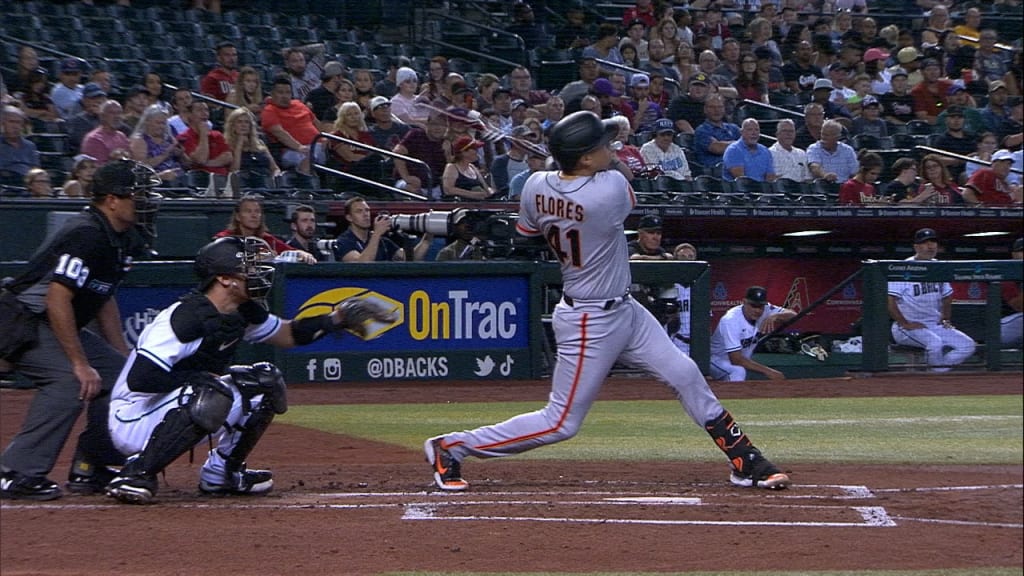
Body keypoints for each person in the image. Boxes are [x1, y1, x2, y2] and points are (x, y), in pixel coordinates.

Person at [423, 110, 790, 493]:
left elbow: (527, 230)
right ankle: (451, 446)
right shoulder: (609, 189)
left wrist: (559, 174)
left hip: (625, 309)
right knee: (560, 422)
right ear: (584, 158)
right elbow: (620, 176)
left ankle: (745, 460)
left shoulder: (534, 184)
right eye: (601, 145)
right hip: (589, 320)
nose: (610, 148)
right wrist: (575, 172)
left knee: (685, 374)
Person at [103, 236, 394, 504]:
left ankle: (221, 474)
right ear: (224, 278)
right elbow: (140, 378)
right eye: (249, 267)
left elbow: (288, 334)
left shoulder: (241, 311)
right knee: (211, 389)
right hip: (133, 416)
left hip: (182, 403)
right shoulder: (185, 318)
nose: (260, 272)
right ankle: (136, 473)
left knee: (266, 382)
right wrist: (200, 380)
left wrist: (335, 319)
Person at [0, 160, 162, 501]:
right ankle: (16, 473)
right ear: (111, 200)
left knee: (121, 379)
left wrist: (122, 356)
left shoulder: (119, 237)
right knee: (70, 381)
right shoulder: (87, 232)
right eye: (138, 195)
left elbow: (103, 297)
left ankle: (92, 464)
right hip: (21, 319)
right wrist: (78, 362)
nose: (146, 201)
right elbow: (57, 297)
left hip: (49, 320)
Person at [888, 228, 977, 372]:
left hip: (934, 325)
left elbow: (947, 296)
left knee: (967, 345)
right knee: (935, 344)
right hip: (906, 327)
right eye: (925, 243)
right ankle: (936, 378)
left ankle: (937, 374)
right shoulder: (904, 268)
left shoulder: (939, 266)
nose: (930, 246)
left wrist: (946, 318)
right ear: (916, 247)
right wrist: (904, 323)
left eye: (933, 242)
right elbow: (890, 300)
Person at [710, 286, 797, 382]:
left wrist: (777, 316)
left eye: (760, 306)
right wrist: (768, 371)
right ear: (744, 302)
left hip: (734, 361)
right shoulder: (731, 320)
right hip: (715, 360)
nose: (757, 310)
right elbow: (736, 359)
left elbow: (794, 315)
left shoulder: (767, 309)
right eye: (753, 305)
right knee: (738, 371)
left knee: (739, 370)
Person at [332, 196, 433, 263]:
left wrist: (426, 239)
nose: (365, 215)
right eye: (359, 211)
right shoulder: (344, 241)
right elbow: (362, 265)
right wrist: (377, 233)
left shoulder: (382, 241)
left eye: (367, 210)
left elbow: (411, 259)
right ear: (349, 217)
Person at [213, 196, 313, 261]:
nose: (254, 215)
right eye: (248, 211)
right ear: (238, 216)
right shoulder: (225, 238)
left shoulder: (266, 239)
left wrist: (302, 254)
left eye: (257, 211)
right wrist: (254, 258)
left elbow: (291, 251)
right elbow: (223, 258)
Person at [224, 107, 281, 190]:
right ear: (233, 125)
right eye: (239, 122)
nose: (243, 125)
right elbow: (234, 172)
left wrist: (275, 177)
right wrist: (239, 146)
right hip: (245, 186)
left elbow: (275, 168)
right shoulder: (227, 145)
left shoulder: (260, 144)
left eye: (246, 122)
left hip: (266, 184)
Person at [129, 104, 184, 183]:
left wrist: (181, 155)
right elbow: (140, 169)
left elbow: (187, 163)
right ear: (147, 122)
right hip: (156, 183)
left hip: (179, 179)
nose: (161, 126)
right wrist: (165, 155)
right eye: (158, 123)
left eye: (164, 123)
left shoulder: (169, 139)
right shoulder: (139, 141)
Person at [178, 101, 232, 177]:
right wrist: (203, 135)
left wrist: (207, 164)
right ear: (189, 115)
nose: (204, 113)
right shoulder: (184, 137)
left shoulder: (217, 135)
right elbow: (201, 159)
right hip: (201, 180)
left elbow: (228, 157)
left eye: (206, 110)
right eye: (199, 110)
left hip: (222, 178)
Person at [693, 94, 740, 172]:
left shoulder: (733, 128)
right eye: (712, 107)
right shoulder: (702, 130)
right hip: (715, 172)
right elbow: (717, 148)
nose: (717, 110)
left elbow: (749, 145)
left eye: (720, 107)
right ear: (705, 109)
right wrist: (741, 144)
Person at [665, 242, 697, 355]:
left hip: (697, 343)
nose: (687, 260)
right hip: (676, 341)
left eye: (690, 257)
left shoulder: (700, 285)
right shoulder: (669, 285)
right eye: (682, 257)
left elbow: (706, 320)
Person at [442, 135, 495, 200]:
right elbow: (448, 190)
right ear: (464, 152)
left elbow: (485, 187)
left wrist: (491, 192)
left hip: (478, 206)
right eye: (474, 149)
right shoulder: (452, 167)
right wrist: (472, 194)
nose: (477, 151)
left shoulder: (472, 167)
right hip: (460, 206)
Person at [722, 118, 775, 183]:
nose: (754, 133)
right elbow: (741, 180)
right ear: (742, 132)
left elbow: (770, 178)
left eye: (756, 130)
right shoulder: (733, 150)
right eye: (750, 130)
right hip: (740, 191)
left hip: (762, 191)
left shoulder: (765, 151)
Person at [0, 106, 40, 187]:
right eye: (11, 122)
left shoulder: (30, 146)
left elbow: (35, 170)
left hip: (27, 186)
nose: (15, 126)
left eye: (18, 122)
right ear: (2, 123)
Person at [1001, 237, 1023, 349]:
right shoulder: (1007, 275)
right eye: (1022, 251)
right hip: (1001, 328)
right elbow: (1019, 307)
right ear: (1014, 255)